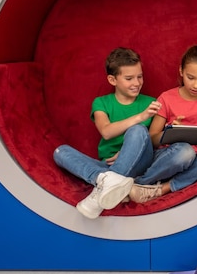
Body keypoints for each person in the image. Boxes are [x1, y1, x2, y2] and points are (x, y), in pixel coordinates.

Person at [53, 47, 161, 219]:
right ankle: (106, 181)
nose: (137, 82)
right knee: (60, 152)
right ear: (112, 80)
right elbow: (106, 132)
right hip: (106, 166)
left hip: (140, 163)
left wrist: (127, 152)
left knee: (138, 130)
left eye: (139, 76)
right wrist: (140, 116)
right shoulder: (101, 103)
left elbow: (153, 140)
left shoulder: (151, 102)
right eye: (129, 78)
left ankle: (102, 189)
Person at [127, 45, 197, 203]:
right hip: (171, 157)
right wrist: (170, 133)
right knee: (185, 151)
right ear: (181, 72)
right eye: (190, 78)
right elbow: (151, 138)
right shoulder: (166, 98)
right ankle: (140, 183)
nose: (196, 85)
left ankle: (162, 189)